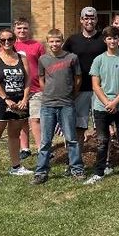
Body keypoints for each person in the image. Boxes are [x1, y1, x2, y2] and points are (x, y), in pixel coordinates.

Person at [86, 26, 119, 184]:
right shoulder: (98, 60)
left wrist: (115, 102)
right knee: (102, 141)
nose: (112, 41)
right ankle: (99, 172)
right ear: (105, 40)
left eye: (115, 38)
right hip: (101, 107)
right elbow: (95, 85)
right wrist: (107, 102)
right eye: (109, 38)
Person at [32, 29, 83, 184]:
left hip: (66, 104)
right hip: (48, 105)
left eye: (58, 41)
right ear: (48, 42)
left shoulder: (72, 58)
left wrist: (72, 94)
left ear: (62, 41)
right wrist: (46, 92)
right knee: (46, 141)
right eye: (52, 41)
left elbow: (78, 79)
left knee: (71, 139)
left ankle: (76, 169)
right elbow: (41, 79)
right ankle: (41, 172)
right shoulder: (43, 59)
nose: (55, 44)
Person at [0, 28, 32, 184]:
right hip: (0, 103)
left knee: (14, 134)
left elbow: (28, 80)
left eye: (10, 39)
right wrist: (6, 99)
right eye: (3, 40)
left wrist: (25, 98)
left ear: (14, 40)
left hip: (19, 103)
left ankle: (16, 167)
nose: (7, 42)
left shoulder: (22, 58)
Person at [63, 7, 107, 151]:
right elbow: (62, 61)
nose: (89, 21)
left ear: (96, 20)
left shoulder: (104, 39)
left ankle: (104, 160)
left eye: (92, 18)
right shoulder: (72, 40)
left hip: (100, 90)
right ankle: (75, 159)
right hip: (79, 90)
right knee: (78, 127)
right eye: (86, 18)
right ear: (81, 20)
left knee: (102, 127)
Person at [13, 17, 44, 160]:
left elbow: (44, 65)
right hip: (18, 89)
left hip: (36, 88)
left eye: (25, 28)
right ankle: (24, 148)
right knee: (22, 119)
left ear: (29, 29)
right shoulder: (10, 45)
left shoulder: (37, 45)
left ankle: (41, 148)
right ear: (14, 30)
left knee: (35, 119)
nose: (22, 31)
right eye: (19, 28)